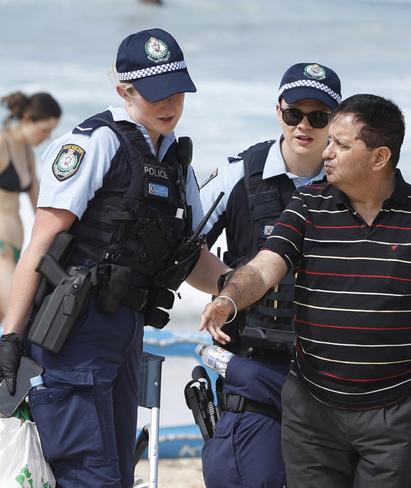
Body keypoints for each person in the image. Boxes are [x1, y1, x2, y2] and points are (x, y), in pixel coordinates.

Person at [200, 94, 411, 488]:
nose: (326, 153)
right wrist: (230, 297)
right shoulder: (308, 204)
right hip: (311, 409)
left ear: (380, 157)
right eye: (329, 142)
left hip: (395, 413)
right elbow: (264, 267)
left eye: (340, 145)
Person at [0, 28, 228, 488]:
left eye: (178, 92)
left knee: (121, 473)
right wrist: (10, 338)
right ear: (124, 90)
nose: (171, 104)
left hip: (125, 330)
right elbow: (40, 246)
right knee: (90, 475)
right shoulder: (93, 145)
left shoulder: (175, 162)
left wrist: (241, 288)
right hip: (72, 331)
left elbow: (196, 259)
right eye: (157, 94)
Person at [199, 62, 341, 488]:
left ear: (336, 121)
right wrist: (232, 291)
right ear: (278, 109)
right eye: (294, 113)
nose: (304, 126)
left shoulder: (353, 179)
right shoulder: (238, 173)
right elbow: (181, 250)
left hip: (331, 372)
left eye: (319, 117)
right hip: (254, 360)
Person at [0, 92, 61, 322]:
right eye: (44, 130)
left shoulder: (26, 152)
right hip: (0, 248)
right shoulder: (2, 143)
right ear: (27, 119)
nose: (46, 137)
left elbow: (40, 205)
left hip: (14, 251)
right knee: (17, 319)